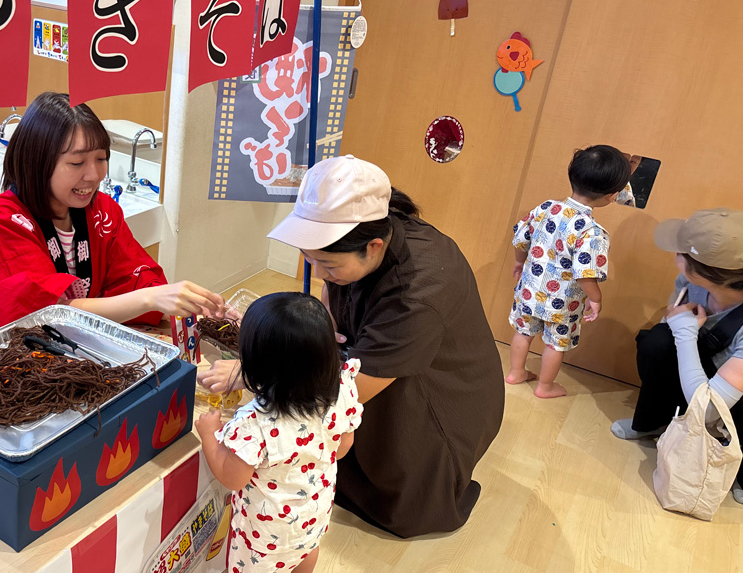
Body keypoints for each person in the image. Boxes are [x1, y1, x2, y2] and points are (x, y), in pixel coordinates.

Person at [200, 155, 504, 538]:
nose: (320, 273)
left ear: (374, 247)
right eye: (310, 260)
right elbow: (331, 288)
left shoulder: (417, 293)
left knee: (400, 483)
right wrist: (321, 323)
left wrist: (255, 373)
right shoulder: (372, 228)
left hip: (440, 396)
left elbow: (352, 389)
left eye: (328, 265)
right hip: (383, 356)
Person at [0, 92, 224, 347]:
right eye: (77, 163)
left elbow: (134, 279)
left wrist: (188, 304)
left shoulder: (102, 211)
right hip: (16, 361)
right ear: (37, 162)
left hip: (78, 348)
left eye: (101, 158)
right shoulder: (3, 220)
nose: (94, 175)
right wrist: (151, 299)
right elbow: (41, 314)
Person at [195, 292, 362, 573]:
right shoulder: (342, 389)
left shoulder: (256, 424)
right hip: (315, 505)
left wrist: (209, 435)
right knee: (307, 545)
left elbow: (232, 476)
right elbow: (344, 445)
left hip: (268, 525)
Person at [611, 209, 743, 499]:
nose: (675, 255)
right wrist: (676, 327)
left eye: (681, 252)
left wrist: (684, 332)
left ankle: (738, 468)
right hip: (703, 370)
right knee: (656, 342)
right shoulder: (690, 282)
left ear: (705, 272)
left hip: (729, 393)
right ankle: (654, 422)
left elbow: (709, 408)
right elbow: (669, 326)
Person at [506, 145, 631, 398]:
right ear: (611, 196)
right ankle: (544, 386)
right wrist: (596, 299)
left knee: (523, 331)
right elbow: (586, 273)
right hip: (563, 304)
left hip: (529, 290)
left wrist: (520, 262)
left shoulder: (546, 208)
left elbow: (521, 238)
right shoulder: (592, 232)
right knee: (555, 344)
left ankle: (515, 372)